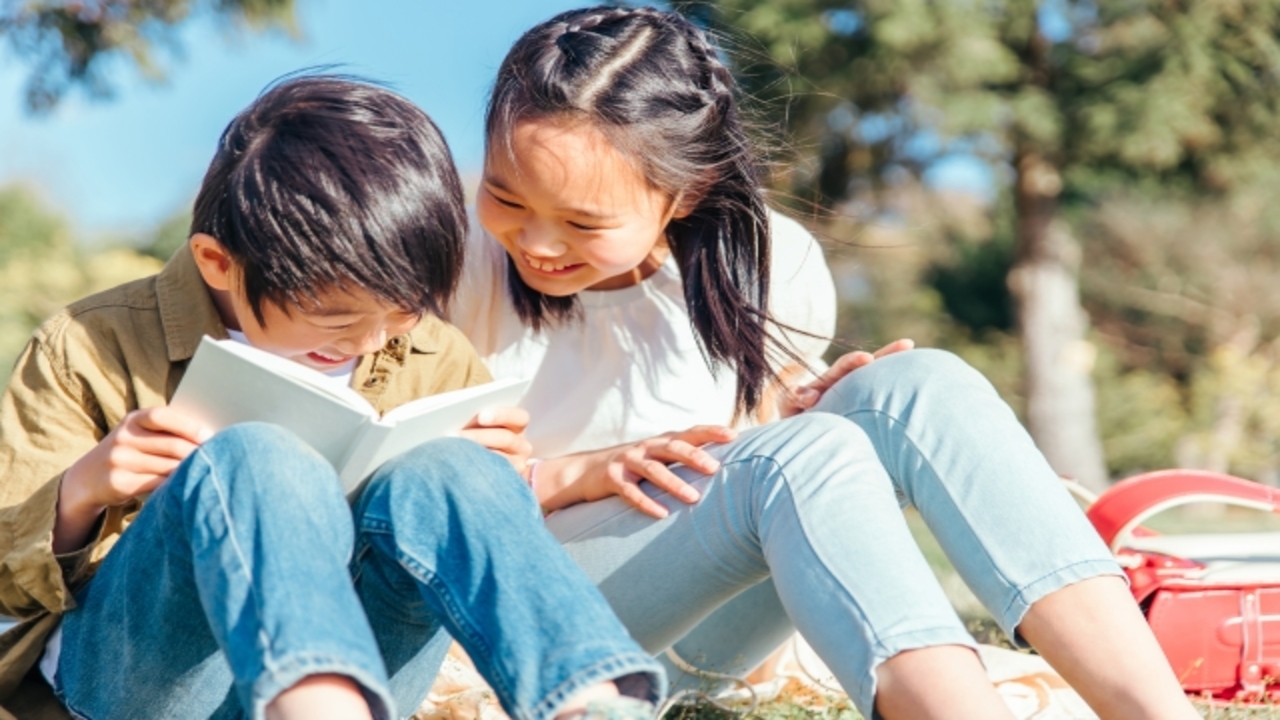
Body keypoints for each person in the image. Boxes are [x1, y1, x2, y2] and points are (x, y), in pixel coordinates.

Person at [446, 6, 1203, 720]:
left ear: (685, 192)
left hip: (714, 626)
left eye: (582, 221)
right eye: (507, 197)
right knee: (795, 459)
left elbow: (748, 456)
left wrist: (797, 411)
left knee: (914, 387)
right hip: (526, 622)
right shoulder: (445, 264)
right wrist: (574, 473)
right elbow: (394, 495)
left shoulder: (770, 262)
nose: (537, 242)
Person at [0, 75, 663, 720]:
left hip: (371, 675)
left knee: (455, 468)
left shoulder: (432, 355)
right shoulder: (91, 344)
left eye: (402, 312)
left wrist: (496, 480)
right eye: (338, 321)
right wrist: (83, 491)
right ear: (217, 262)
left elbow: (463, 554)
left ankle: (586, 700)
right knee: (258, 455)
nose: (372, 341)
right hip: (143, 687)